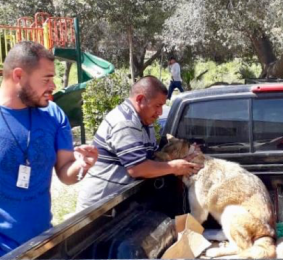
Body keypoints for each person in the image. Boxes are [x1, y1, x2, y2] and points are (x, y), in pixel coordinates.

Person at [0, 41, 98, 258]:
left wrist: (81, 165)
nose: (53, 86)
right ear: (18, 75)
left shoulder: (54, 114)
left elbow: (65, 173)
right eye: (47, 78)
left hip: (43, 245)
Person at [76, 76, 202, 211]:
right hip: (100, 211)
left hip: (121, 205)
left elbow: (153, 160)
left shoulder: (145, 122)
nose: (160, 112)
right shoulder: (125, 123)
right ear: (140, 99)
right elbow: (137, 169)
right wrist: (174, 167)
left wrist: (184, 161)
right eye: (157, 106)